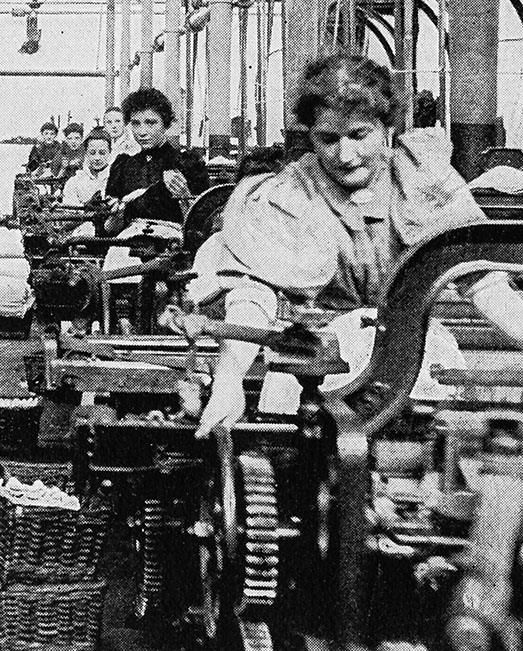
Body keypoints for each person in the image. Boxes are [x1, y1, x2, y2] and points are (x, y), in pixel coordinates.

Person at [104, 87, 210, 235]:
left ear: (165, 124)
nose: (142, 132)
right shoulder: (123, 165)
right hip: (128, 241)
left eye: (151, 123)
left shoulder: (187, 164)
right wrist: (118, 212)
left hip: (172, 242)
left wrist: (184, 195)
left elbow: (203, 225)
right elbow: (108, 229)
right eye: (136, 123)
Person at [61, 127, 112, 208]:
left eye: (102, 153)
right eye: (92, 153)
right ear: (86, 153)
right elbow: (69, 210)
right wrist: (86, 206)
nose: (97, 158)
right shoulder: (74, 182)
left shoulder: (117, 179)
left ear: (109, 152)